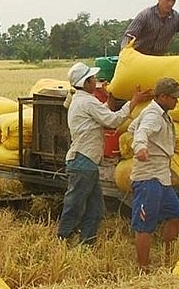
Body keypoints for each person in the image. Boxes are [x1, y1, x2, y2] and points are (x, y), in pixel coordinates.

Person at [57, 62, 152, 246]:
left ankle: (87, 244)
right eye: (93, 79)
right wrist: (134, 101)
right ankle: (62, 238)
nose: (96, 82)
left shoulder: (81, 99)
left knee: (96, 208)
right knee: (75, 204)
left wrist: (110, 100)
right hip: (83, 161)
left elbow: (101, 112)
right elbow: (113, 120)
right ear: (86, 83)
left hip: (86, 162)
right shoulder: (87, 101)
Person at [128, 77, 179, 272]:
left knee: (176, 216)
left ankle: (168, 258)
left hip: (162, 176)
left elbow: (132, 127)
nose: (177, 101)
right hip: (148, 177)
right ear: (163, 96)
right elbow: (140, 133)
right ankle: (143, 269)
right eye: (174, 98)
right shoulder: (153, 115)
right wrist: (141, 148)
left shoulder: (159, 113)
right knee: (145, 225)